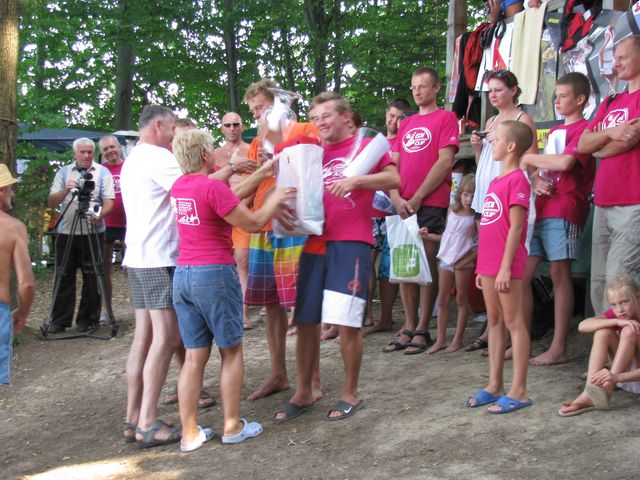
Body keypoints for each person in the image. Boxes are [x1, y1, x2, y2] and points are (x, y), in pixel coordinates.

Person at [275, 92, 400, 422]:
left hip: (351, 242)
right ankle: (304, 391)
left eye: (326, 116)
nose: (319, 123)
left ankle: (350, 393)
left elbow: (394, 178)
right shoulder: (312, 151)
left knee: (346, 322)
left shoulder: (364, 146)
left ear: (346, 117)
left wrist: (357, 180)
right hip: (314, 242)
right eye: (314, 118)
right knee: (305, 320)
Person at [170, 129, 293, 450]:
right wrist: (275, 197)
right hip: (214, 274)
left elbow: (227, 196)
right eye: (211, 149)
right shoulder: (211, 187)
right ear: (203, 155)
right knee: (231, 351)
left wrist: (262, 173)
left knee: (194, 357)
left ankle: (189, 433)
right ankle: (232, 425)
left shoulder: (180, 186)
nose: (215, 153)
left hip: (183, 276)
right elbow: (253, 222)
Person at [242, 79, 321, 401]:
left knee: (302, 303)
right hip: (263, 226)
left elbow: (310, 173)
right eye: (253, 111)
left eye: (260, 108)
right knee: (271, 303)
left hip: (292, 224)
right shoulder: (256, 142)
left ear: (276, 103)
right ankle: (278, 374)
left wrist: (279, 148)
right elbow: (253, 182)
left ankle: (312, 379)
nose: (256, 115)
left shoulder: (303, 130)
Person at [520, 72, 596, 366]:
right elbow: (545, 168)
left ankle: (559, 347)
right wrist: (535, 178)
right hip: (541, 207)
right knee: (522, 275)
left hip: (566, 206)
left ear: (580, 99)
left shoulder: (586, 129)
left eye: (563, 96)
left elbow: (565, 162)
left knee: (559, 273)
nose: (557, 101)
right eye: (556, 96)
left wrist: (529, 160)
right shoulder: (553, 132)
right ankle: (522, 340)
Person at [120, 105, 183, 447]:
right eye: (172, 127)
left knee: (144, 337)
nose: (174, 134)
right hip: (159, 256)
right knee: (167, 336)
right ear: (158, 125)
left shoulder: (133, 159)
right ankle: (147, 421)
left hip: (138, 256)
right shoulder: (159, 157)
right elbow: (190, 189)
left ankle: (132, 417)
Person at [385, 67, 459, 354]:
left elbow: (445, 161)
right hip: (402, 203)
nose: (417, 92)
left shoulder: (446, 118)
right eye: (414, 87)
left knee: (426, 263)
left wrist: (417, 197)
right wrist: (395, 196)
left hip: (430, 201)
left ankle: (423, 327)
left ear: (436, 88)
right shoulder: (406, 123)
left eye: (423, 86)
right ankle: (409, 325)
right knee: (404, 262)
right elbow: (392, 163)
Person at [464, 69, 537, 354]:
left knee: (515, 272)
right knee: (490, 265)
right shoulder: (491, 121)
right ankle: (495, 329)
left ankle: (517, 334)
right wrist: (478, 148)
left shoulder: (522, 119)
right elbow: (487, 163)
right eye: (490, 91)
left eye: (498, 89)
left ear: (513, 90)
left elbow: (529, 160)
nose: (493, 95)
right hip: (488, 197)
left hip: (510, 197)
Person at [466, 120, 533, 414]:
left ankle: (520, 390)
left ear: (511, 146)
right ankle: (495, 384)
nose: (491, 143)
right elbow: (488, 227)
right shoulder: (495, 182)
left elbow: (516, 227)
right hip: (490, 263)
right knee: (493, 320)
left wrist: (505, 267)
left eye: (497, 139)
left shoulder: (518, 180)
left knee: (514, 322)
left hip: (508, 264)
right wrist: (482, 267)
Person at [577, 35, 640, 315]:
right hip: (603, 200)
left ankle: (625, 342)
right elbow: (583, 144)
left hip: (633, 201)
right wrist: (611, 133)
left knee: (622, 281)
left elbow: (626, 141)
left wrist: (601, 146)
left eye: (623, 57)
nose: (617, 64)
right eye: (616, 58)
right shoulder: (611, 100)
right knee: (599, 281)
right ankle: (606, 340)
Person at [47, 138, 114, 333]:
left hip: (93, 232)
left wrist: (99, 215)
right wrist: (66, 190)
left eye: (89, 152)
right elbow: (51, 202)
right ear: (75, 154)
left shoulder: (102, 172)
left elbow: (109, 201)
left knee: (92, 276)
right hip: (67, 232)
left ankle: (88, 319)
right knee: (64, 275)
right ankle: (59, 320)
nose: (86, 156)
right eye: (82, 152)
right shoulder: (63, 172)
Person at [559, 275, 640, 416]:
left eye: (624, 302)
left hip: (626, 378)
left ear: (638, 297)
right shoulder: (619, 315)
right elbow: (582, 325)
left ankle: (606, 388)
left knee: (629, 331)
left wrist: (616, 378)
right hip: (622, 378)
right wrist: (616, 322)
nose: (619, 309)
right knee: (603, 332)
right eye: (613, 305)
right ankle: (590, 392)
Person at [363, 98, 411, 336]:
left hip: (396, 213)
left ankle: (386, 317)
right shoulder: (376, 143)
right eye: (391, 116)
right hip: (372, 212)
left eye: (399, 118)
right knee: (366, 264)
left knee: (390, 268)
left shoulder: (407, 143)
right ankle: (367, 314)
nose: (393, 121)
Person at [427, 174, 477, 354]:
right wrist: (428, 236)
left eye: (472, 196)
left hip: (462, 261)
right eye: (465, 194)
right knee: (443, 299)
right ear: (459, 194)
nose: (468, 199)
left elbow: (481, 244)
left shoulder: (475, 217)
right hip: (446, 259)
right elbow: (446, 236)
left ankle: (457, 340)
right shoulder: (451, 211)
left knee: (462, 299)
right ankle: (441, 339)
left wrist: (466, 260)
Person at [212, 112, 253, 330]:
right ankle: (228, 310)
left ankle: (244, 313)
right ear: (221, 128)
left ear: (242, 126)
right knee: (227, 264)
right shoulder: (215, 154)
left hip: (244, 211)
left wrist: (242, 207)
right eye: (227, 125)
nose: (232, 128)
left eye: (236, 124)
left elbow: (258, 180)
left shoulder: (251, 150)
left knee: (243, 262)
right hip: (222, 215)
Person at [0, 165, 35, 385]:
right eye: (10, 188)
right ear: (1, 191)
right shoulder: (12, 228)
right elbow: (26, 284)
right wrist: (22, 313)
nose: (12, 193)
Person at [98, 135, 126, 326]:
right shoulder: (100, 171)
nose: (110, 151)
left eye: (112, 147)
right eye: (106, 149)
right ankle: (107, 311)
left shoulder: (129, 167)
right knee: (103, 267)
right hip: (106, 224)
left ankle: (141, 312)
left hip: (129, 224)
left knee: (134, 268)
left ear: (119, 147)